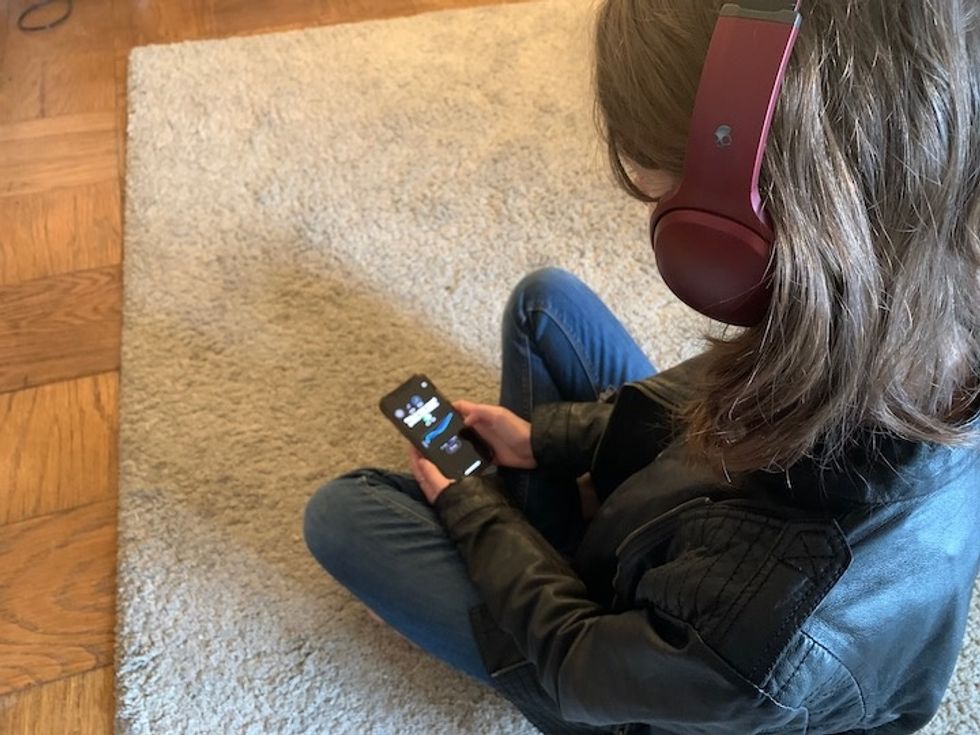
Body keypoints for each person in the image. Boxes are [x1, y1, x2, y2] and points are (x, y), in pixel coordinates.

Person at [303, 0, 980, 733]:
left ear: (733, 237)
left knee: (341, 516)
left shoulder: (769, 634)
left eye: (660, 200)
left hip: (620, 682)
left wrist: (471, 504)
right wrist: (547, 439)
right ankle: (547, 532)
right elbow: (696, 400)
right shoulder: (878, 308)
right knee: (546, 304)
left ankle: (527, 558)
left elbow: (577, 661)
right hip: (684, 532)